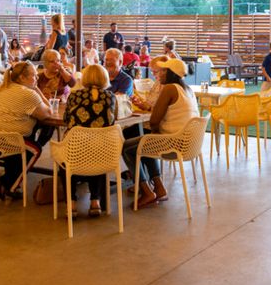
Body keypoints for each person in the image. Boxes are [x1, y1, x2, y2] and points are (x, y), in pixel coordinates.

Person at [122, 59, 199, 208]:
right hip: (189, 143)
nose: (159, 73)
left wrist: (155, 132)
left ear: (171, 73)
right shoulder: (187, 89)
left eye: (163, 70)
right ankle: (159, 188)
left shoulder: (170, 88)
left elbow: (154, 120)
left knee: (126, 148)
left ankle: (146, 191)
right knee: (146, 141)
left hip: (174, 142)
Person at [0, 61, 53, 199]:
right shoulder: (28, 94)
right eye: (34, 76)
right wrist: (38, 90)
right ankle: (7, 183)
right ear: (22, 78)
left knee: (26, 138)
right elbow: (48, 113)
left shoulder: (2, 89)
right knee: (35, 148)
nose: (36, 78)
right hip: (1, 140)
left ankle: (13, 179)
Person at [63, 64, 117, 217]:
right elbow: (112, 121)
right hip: (103, 150)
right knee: (96, 152)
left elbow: (66, 120)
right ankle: (95, 202)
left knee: (66, 161)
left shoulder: (74, 96)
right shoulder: (110, 97)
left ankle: (72, 203)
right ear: (104, 78)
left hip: (76, 148)